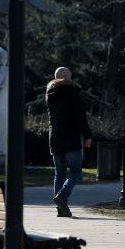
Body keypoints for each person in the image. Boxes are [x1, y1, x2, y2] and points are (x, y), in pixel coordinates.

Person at [46, 67, 92, 217]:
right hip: (70, 137)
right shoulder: (72, 93)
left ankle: (61, 209)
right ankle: (63, 195)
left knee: (59, 174)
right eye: (70, 77)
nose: (72, 79)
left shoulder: (50, 94)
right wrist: (87, 136)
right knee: (76, 171)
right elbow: (80, 117)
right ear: (65, 77)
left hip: (55, 138)